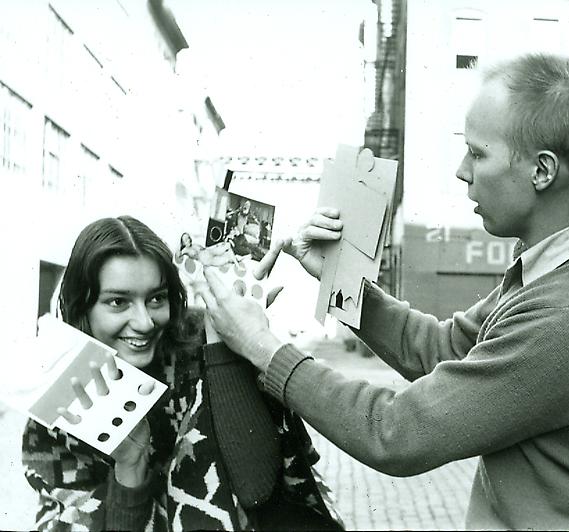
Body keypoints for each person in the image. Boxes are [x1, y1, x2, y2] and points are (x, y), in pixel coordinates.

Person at [201, 53, 569, 530]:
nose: (462, 171)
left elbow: (397, 433)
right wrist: (341, 279)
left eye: (478, 153)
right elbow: (443, 349)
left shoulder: (566, 310)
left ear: (543, 171)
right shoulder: (558, 265)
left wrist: (260, 345)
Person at [22, 216, 344, 531]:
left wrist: (229, 349)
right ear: (82, 308)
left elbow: (258, 489)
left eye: (156, 298)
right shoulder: (63, 406)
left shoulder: (206, 347)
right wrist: (130, 468)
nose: (145, 322)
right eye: (118, 302)